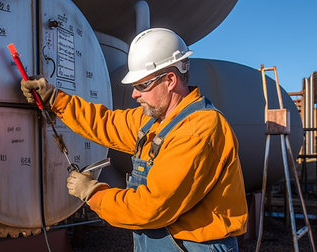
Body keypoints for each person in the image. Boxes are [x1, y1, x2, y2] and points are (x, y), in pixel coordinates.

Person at [21, 28, 248, 251]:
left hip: (194, 246)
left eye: (142, 85)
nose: (134, 94)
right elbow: (104, 123)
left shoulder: (197, 131)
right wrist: (55, 99)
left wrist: (94, 193)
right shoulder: (156, 121)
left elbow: (150, 207)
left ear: (170, 80)